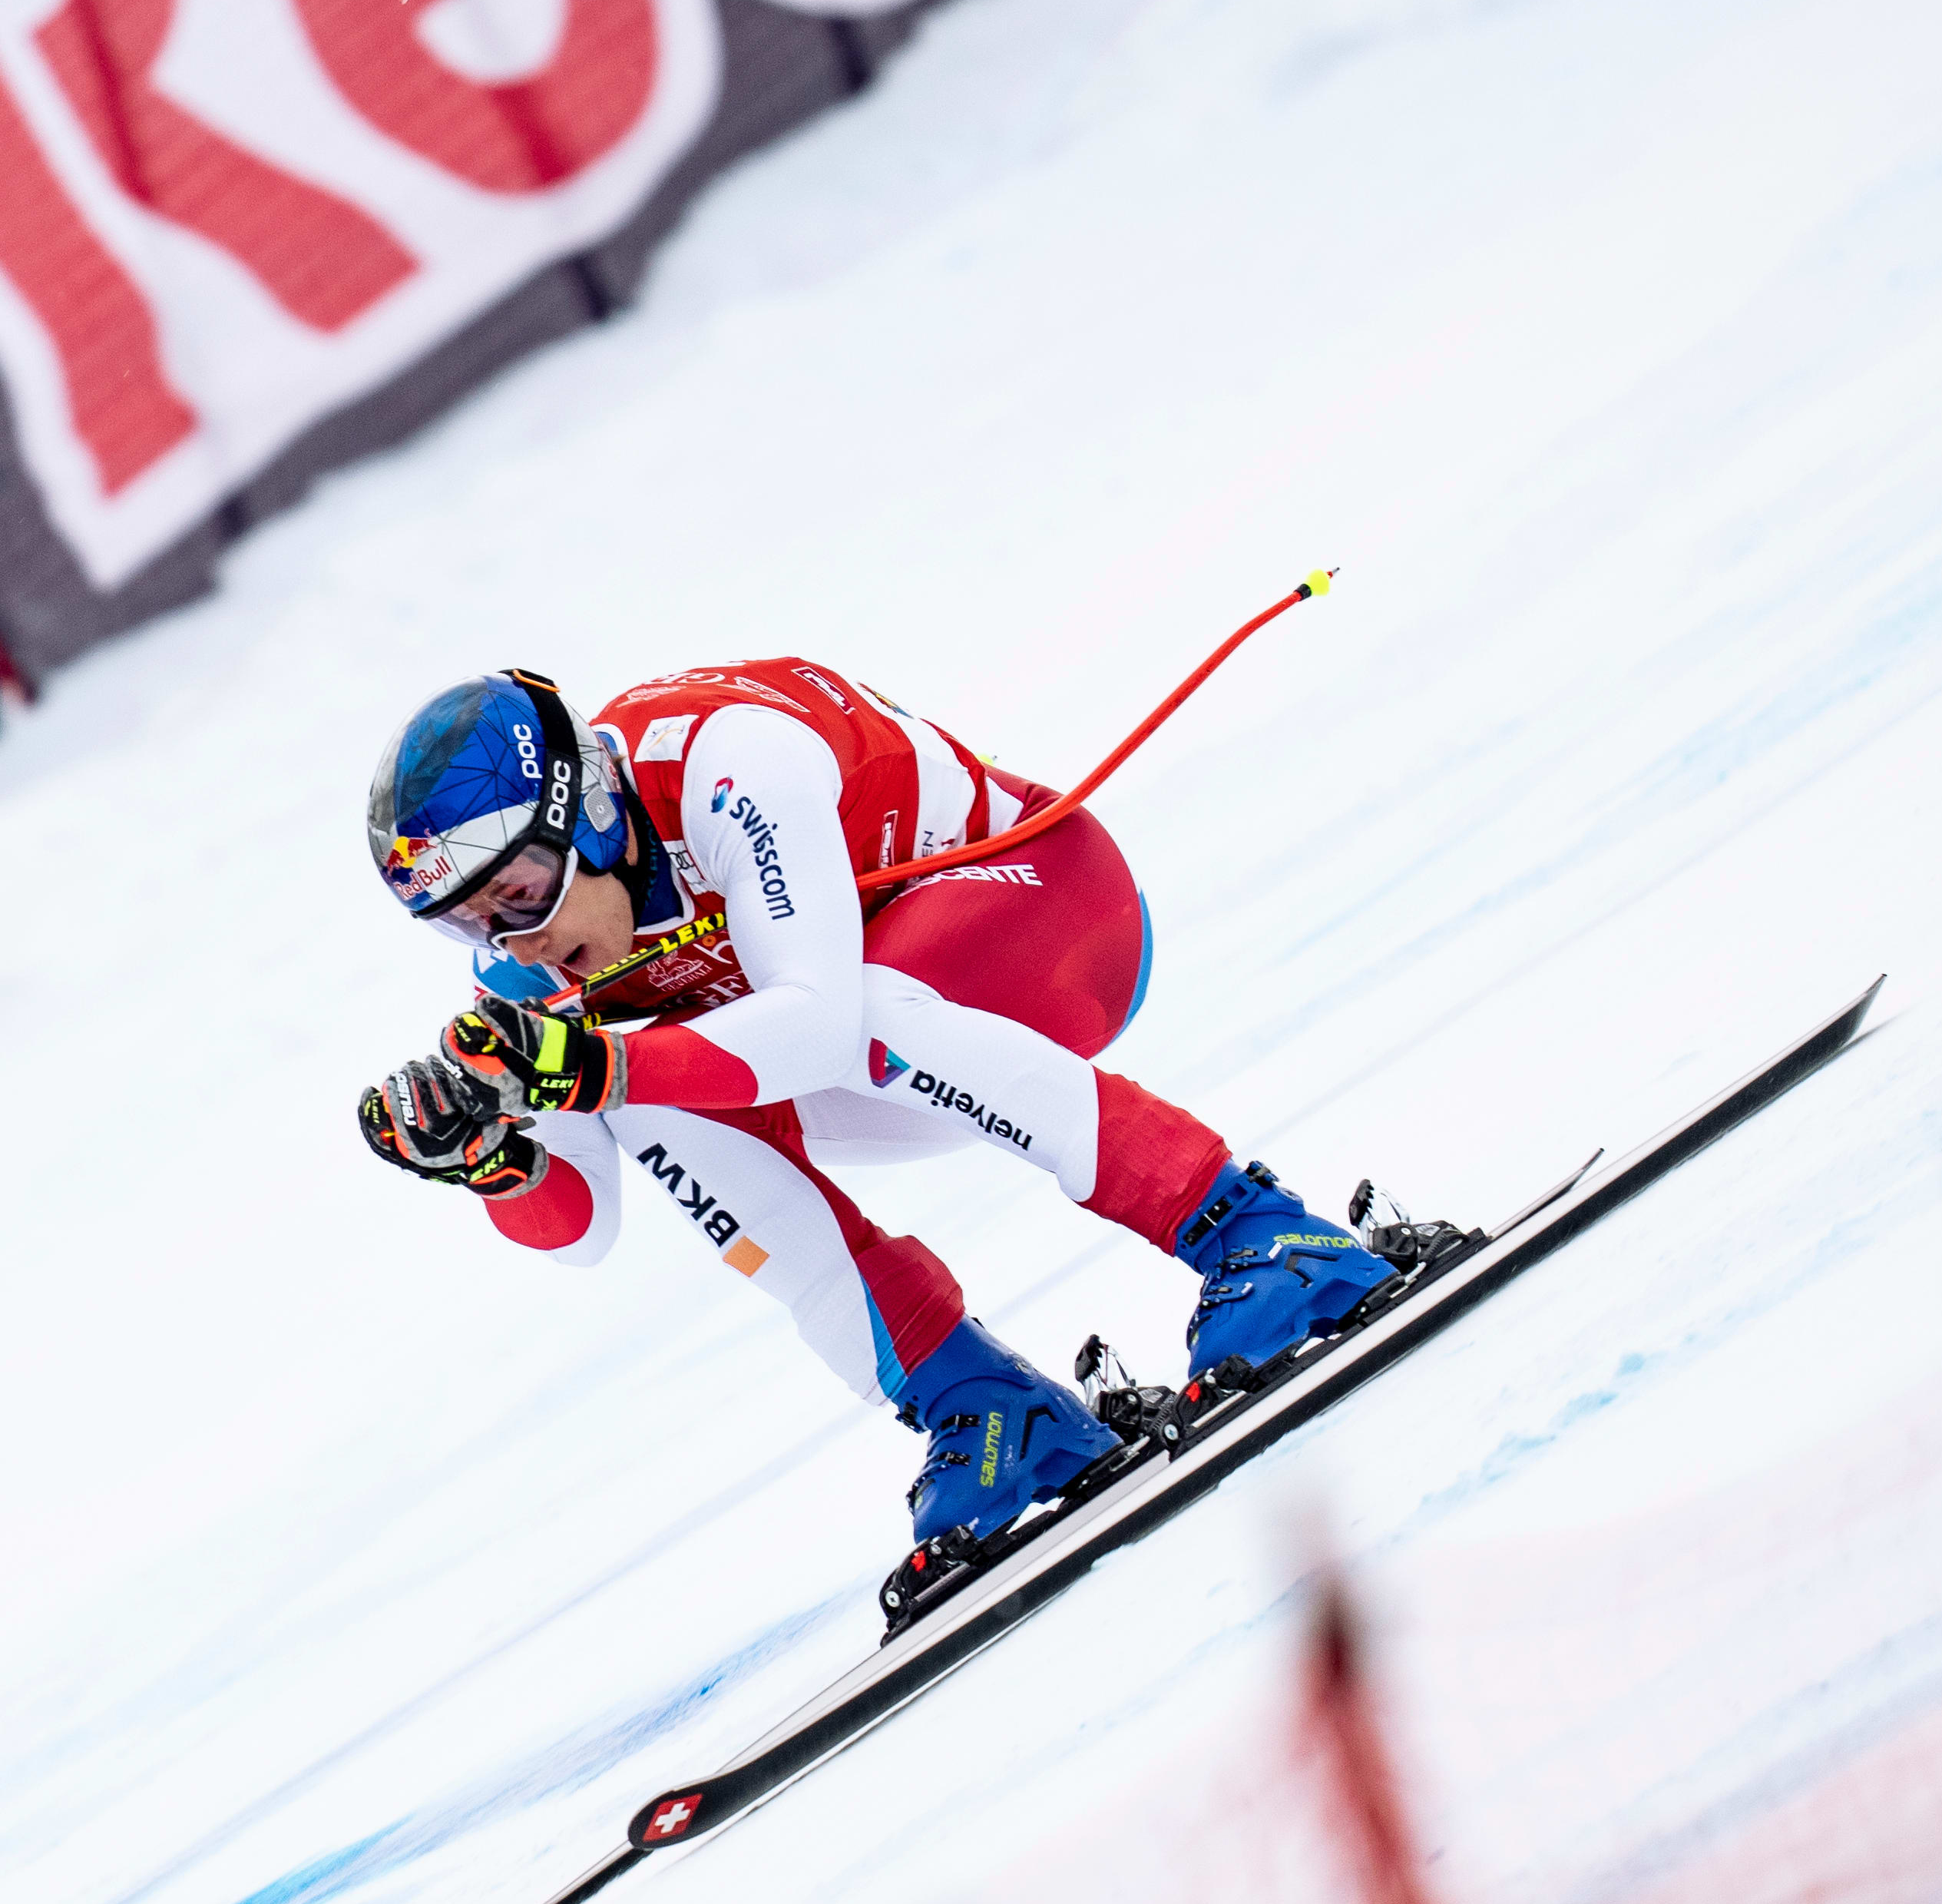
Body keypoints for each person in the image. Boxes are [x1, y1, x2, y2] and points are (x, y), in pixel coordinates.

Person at [358, 661, 1397, 1598]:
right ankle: (980, 1403)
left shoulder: (722, 761)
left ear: (584, 812)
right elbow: (580, 1226)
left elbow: (815, 1021)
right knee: (630, 1091)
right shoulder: (521, 963)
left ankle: (1250, 1229)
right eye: (465, 922)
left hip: (1055, 922)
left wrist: (599, 1063)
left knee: (810, 1024)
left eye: (519, 895)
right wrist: (487, 1159)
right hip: (886, 1039)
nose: (513, 944)